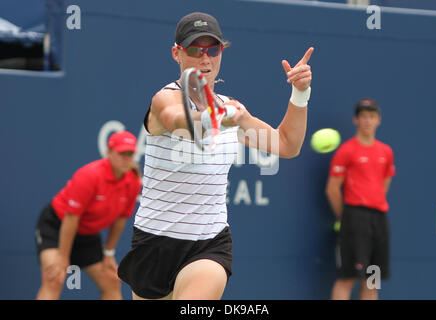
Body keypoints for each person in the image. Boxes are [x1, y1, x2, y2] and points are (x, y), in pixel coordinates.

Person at [117, 11, 313, 300]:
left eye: (213, 49)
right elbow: (176, 119)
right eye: (196, 50)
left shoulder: (233, 110)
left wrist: (300, 93)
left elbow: (287, 144)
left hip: (209, 245)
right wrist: (217, 118)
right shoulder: (165, 98)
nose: (205, 59)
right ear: (177, 53)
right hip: (154, 243)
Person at [35, 131, 142, 300]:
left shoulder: (134, 182)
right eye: (122, 153)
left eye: (130, 154)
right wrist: (63, 256)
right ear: (109, 152)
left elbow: (121, 219)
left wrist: (108, 254)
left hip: (87, 235)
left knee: (111, 280)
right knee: (54, 277)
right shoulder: (90, 175)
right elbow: (72, 218)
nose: (126, 158)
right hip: (57, 226)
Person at [325, 98, 396, 300]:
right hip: (354, 218)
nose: (367, 121)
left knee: (372, 279)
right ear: (356, 120)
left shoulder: (386, 152)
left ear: (378, 120)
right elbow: (332, 189)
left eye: (372, 116)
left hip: (379, 218)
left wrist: (375, 203)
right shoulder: (346, 150)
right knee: (348, 277)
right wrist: (346, 217)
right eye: (363, 116)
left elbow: (384, 183)